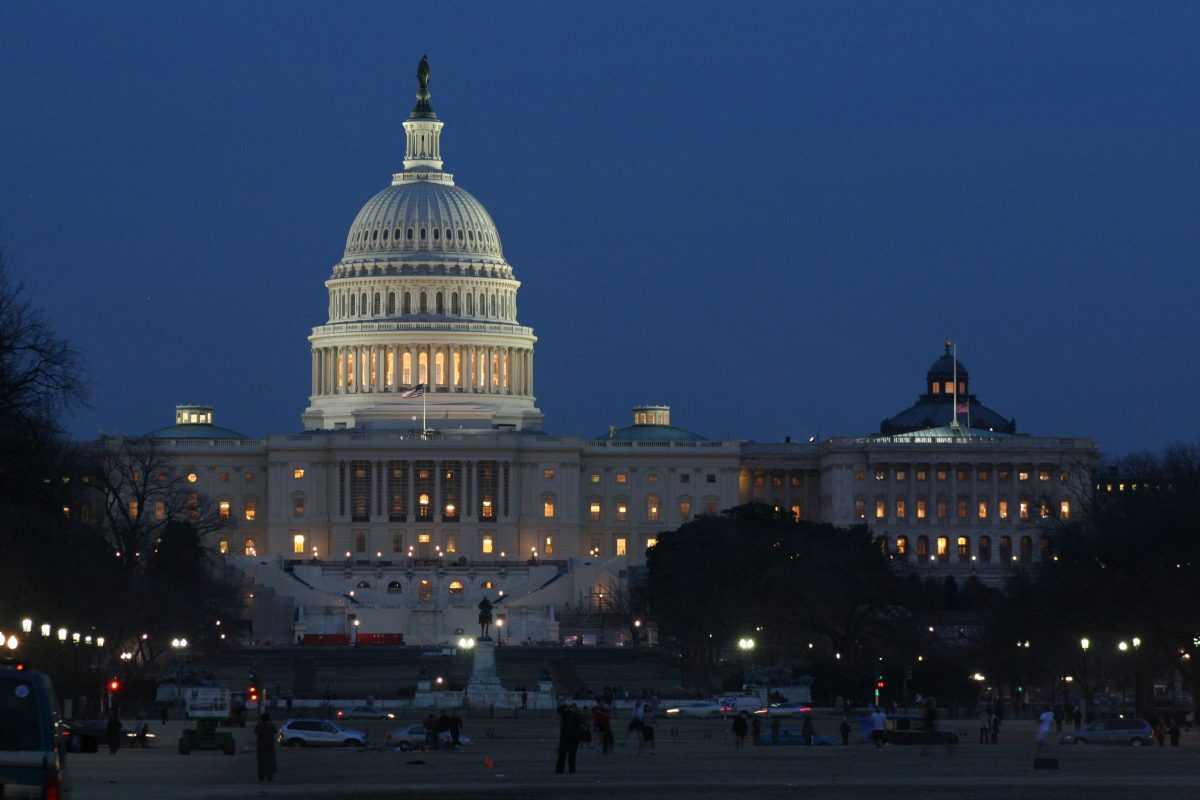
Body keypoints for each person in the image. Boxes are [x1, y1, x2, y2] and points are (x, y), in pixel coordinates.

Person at [555, 703, 585, 774]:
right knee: (562, 754)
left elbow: (583, 721)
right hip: (565, 737)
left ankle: (572, 769)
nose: (573, 709)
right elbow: (559, 710)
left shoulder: (578, 715)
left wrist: (576, 713)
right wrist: (566, 707)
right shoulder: (565, 714)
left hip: (574, 738)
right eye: (572, 708)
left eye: (574, 708)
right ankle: (559, 769)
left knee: (572, 755)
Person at [255, 713, 277, 782]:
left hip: (261, 746)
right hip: (270, 746)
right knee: (270, 762)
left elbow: (256, 732)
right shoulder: (271, 726)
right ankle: (269, 776)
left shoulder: (258, 726)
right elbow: (275, 731)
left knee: (261, 762)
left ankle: (261, 775)